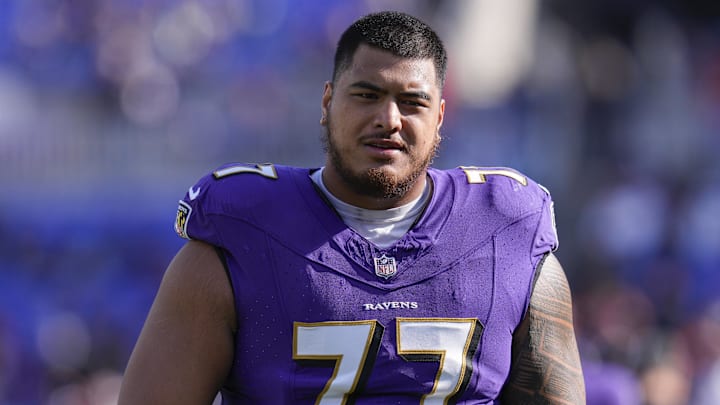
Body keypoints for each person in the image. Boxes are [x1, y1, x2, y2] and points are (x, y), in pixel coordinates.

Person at [118, 10, 585, 404]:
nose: (388, 120)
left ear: (439, 117)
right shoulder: (239, 238)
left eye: (412, 102)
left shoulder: (505, 231)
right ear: (327, 101)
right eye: (367, 95)